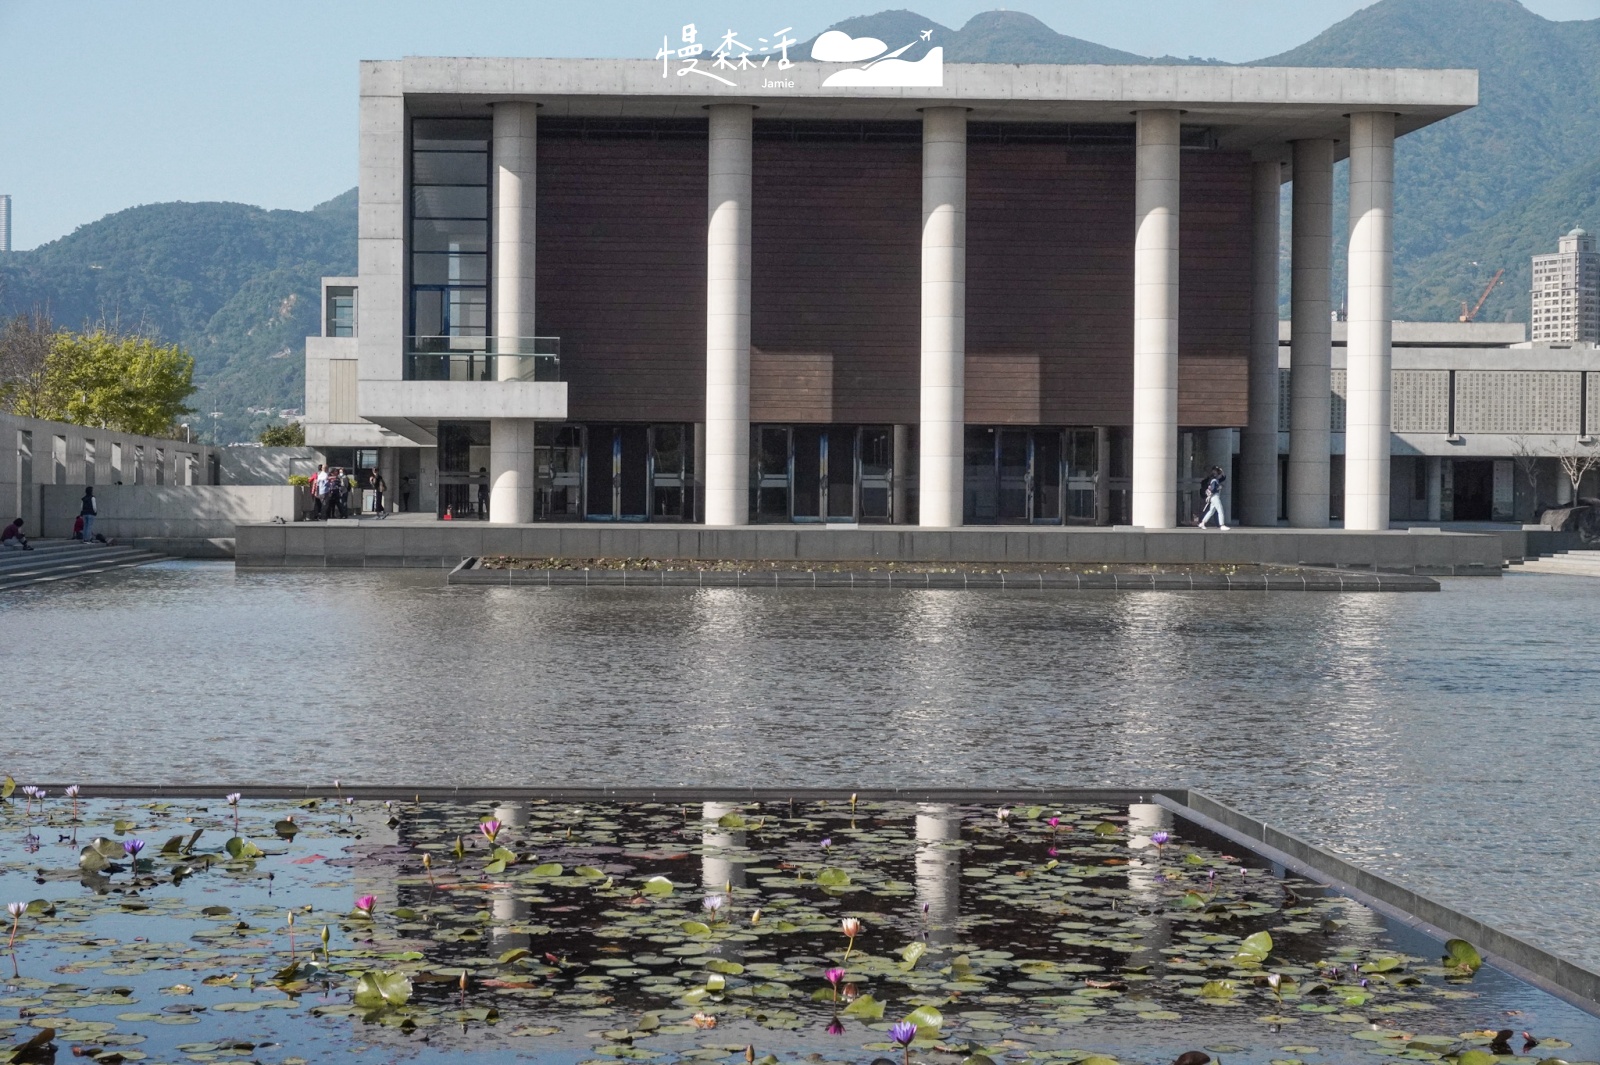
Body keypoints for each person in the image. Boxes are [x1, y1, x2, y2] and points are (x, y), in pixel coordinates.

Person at [1197, 465, 1229, 530]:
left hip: (1213, 496)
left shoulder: (1214, 479)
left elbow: (1223, 477)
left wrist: (1221, 471)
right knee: (1220, 510)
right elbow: (1213, 489)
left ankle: (1202, 523)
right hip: (1214, 496)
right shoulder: (1214, 480)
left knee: (1211, 511)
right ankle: (1222, 525)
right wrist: (1219, 488)